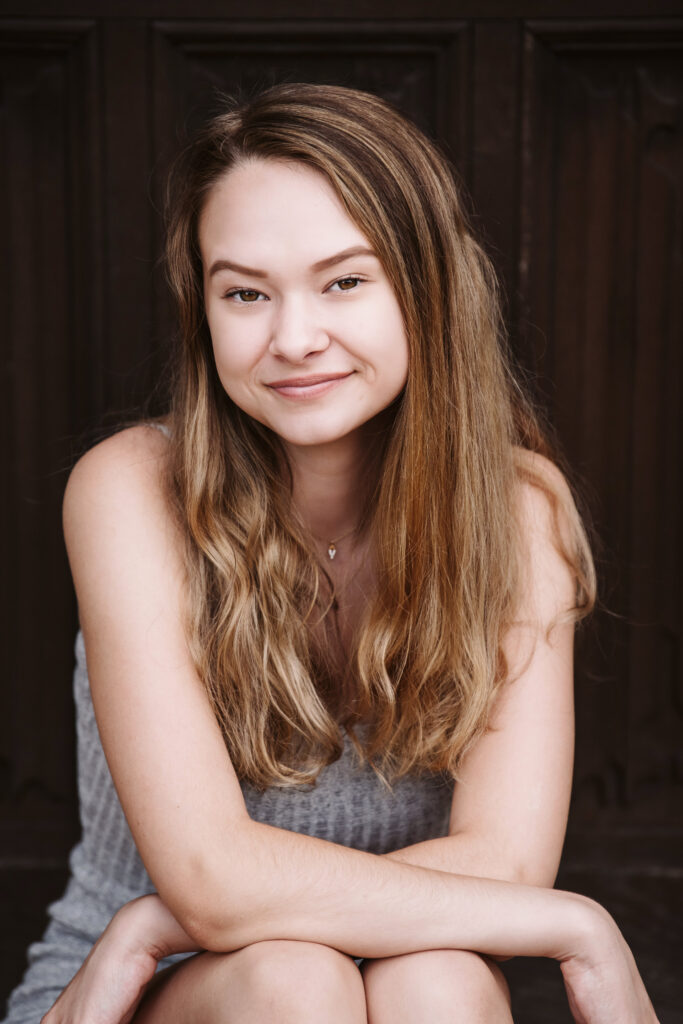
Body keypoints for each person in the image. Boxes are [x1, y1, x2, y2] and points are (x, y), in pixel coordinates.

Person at [3, 82, 657, 1024]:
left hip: (400, 979)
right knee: (293, 983)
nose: (294, 339)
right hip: (129, 986)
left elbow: (510, 864)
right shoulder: (129, 489)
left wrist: (222, 890)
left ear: (425, 289)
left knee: (435, 983)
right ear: (203, 313)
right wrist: (171, 914)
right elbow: (207, 881)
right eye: (244, 294)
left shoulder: (516, 511)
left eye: (344, 281)